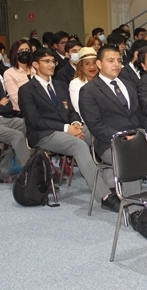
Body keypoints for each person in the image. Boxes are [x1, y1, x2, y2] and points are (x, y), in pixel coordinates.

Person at [78, 44, 147, 211]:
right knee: (132, 157)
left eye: (119, 60)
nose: (116, 65)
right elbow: (95, 125)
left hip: (140, 136)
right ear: (99, 64)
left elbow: (141, 114)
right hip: (111, 143)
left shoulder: (128, 84)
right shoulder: (88, 91)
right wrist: (121, 137)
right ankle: (135, 209)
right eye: (110, 61)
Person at [20, 48, 103, 201]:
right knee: (79, 145)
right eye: (47, 61)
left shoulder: (60, 85)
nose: (51, 65)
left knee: (100, 133)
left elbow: (71, 110)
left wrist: (76, 123)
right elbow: (34, 121)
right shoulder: (26, 90)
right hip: (43, 134)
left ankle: (111, 178)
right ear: (35, 65)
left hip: (66, 129)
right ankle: (104, 195)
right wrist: (66, 128)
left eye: (53, 61)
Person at [2, 40, 35, 113]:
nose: (25, 52)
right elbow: (16, 98)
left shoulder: (35, 69)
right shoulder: (9, 73)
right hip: (21, 112)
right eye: (21, 50)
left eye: (27, 50)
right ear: (15, 54)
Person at [68, 47, 98, 114]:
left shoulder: (103, 80)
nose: (92, 67)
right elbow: (79, 109)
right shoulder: (75, 84)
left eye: (94, 63)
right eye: (87, 63)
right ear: (80, 66)